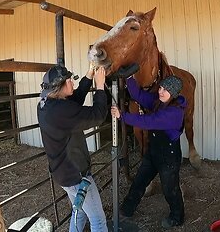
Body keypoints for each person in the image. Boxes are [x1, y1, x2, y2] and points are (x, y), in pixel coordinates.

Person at [37, 64, 108, 232]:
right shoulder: (62, 111)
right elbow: (98, 116)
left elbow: (74, 100)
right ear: (59, 86)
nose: (72, 83)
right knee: (98, 220)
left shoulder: (47, 104)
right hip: (77, 176)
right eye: (69, 80)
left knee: (81, 212)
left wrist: (89, 75)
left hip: (62, 173)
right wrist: (100, 87)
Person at [110, 75, 186, 229]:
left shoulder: (174, 112)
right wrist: (130, 77)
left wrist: (121, 116)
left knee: (170, 189)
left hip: (168, 157)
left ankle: (177, 217)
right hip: (154, 151)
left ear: (174, 94)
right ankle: (127, 208)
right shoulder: (160, 102)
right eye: (161, 87)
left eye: (166, 90)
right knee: (139, 181)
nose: (161, 91)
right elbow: (138, 95)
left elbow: (148, 121)